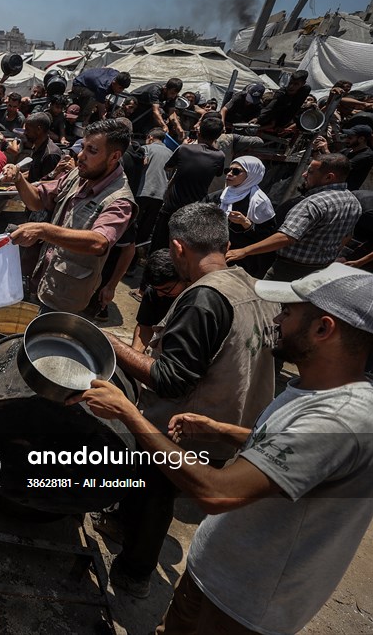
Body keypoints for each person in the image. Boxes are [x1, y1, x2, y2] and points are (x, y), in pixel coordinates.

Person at [76, 262, 373, 634]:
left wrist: (129, 414)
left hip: (244, 603)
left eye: (288, 312)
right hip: (215, 573)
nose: (277, 319)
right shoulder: (317, 390)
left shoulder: (339, 419)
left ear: (323, 328)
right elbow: (284, 451)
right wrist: (223, 429)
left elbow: (216, 493)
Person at [99, 202, 280, 598]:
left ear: (178, 249)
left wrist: (109, 345)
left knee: (155, 494)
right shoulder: (252, 284)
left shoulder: (204, 299)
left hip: (189, 426)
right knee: (148, 488)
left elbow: (170, 379)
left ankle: (134, 574)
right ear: (226, 242)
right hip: (231, 420)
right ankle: (120, 525)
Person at [8, 118, 137, 315]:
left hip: (67, 295)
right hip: (44, 277)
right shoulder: (79, 174)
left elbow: (99, 243)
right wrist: (18, 178)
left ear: (114, 157)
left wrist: (43, 230)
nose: (82, 156)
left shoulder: (119, 200)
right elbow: (37, 201)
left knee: (49, 340)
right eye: (83, 147)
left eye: (92, 151)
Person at [227, 154, 361, 281]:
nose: (304, 175)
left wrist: (244, 251)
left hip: (288, 270)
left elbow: (286, 237)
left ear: (328, 177)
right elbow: (347, 237)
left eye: (310, 172)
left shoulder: (313, 203)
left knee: (268, 302)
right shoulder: (353, 202)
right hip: (321, 269)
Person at [147, 116, 225, 255]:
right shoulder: (219, 156)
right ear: (218, 136)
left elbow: (168, 167)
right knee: (183, 249)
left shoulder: (184, 149)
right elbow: (218, 173)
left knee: (159, 246)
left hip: (171, 207)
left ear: (198, 132)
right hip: (194, 210)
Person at [203, 156, 276, 278]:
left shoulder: (259, 202)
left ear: (251, 175)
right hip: (214, 252)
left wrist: (247, 223)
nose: (230, 174)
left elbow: (268, 237)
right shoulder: (220, 196)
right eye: (228, 170)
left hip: (242, 261)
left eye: (236, 171)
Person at [130, 249, 186, 352]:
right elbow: (145, 327)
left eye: (166, 289)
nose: (160, 294)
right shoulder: (154, 292)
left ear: (184, 278)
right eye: (156, 289)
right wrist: (134, 354)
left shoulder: (196, 298)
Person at [134, 128, 174, 252]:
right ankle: (138, 255)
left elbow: (142, 164)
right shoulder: (171, 153)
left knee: (134, 224)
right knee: (147, 226)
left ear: (150, 137)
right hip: (160, 195)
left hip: (143, 191)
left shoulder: (146, 148)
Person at [258, 70, 311, 134]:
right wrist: (258, 119)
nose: (291, 86)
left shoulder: (303, 92)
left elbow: (294, 108)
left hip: (281, 124)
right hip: (269, 120)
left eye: (296, 84)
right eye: (290, 83)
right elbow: (271, 107)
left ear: (303, 84)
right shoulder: (281, 93)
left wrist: (281, 125)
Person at [339, 124, 373, 190]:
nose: (346, 140)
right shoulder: (347, 150)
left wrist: (326, 150)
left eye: (350, 138)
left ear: (361, 139)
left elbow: (341, 167)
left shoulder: (367, 155)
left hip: (347, 190)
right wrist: (317, 149)